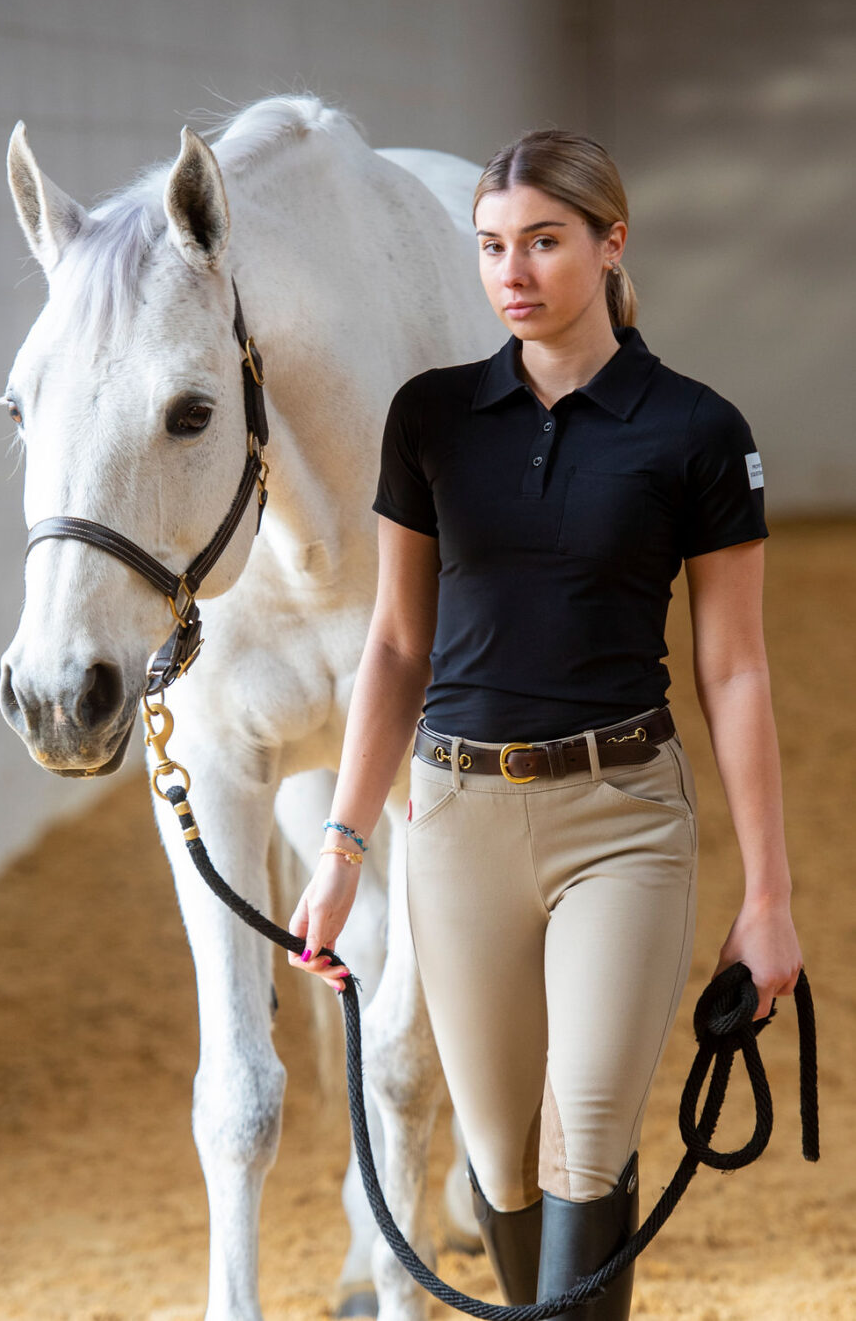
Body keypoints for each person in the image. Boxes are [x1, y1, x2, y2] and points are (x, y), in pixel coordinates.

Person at [287, 129, 803, 1317]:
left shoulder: (698, 430)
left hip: (622, 819)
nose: (511, 272)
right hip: (456, 822)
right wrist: (342, 847)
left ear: (612, 244)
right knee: (503, 1160)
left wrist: (769, 896)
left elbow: (734, 669)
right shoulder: (431, 418)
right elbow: (397, 646)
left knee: (587, 1138)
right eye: (491, 247)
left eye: (543, 241)